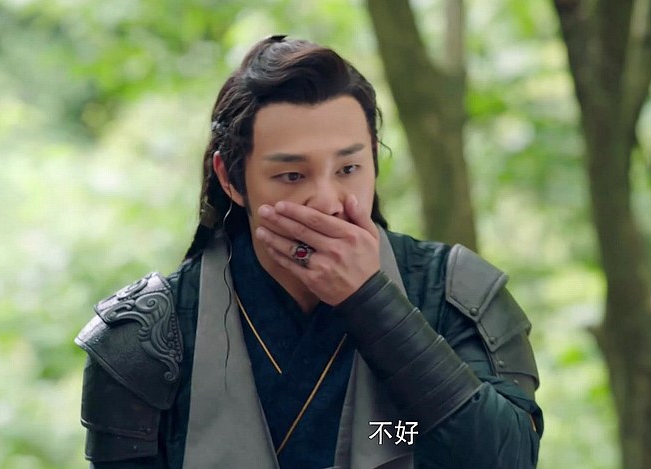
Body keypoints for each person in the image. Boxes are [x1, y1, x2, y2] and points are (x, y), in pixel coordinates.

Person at [75, 35, 543, 469]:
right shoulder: (147, 335)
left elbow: (507, 458)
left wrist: (371, 300)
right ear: (230, 179)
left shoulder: (455, 292)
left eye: (349, 168)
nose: (328, 201)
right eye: (292, 176)